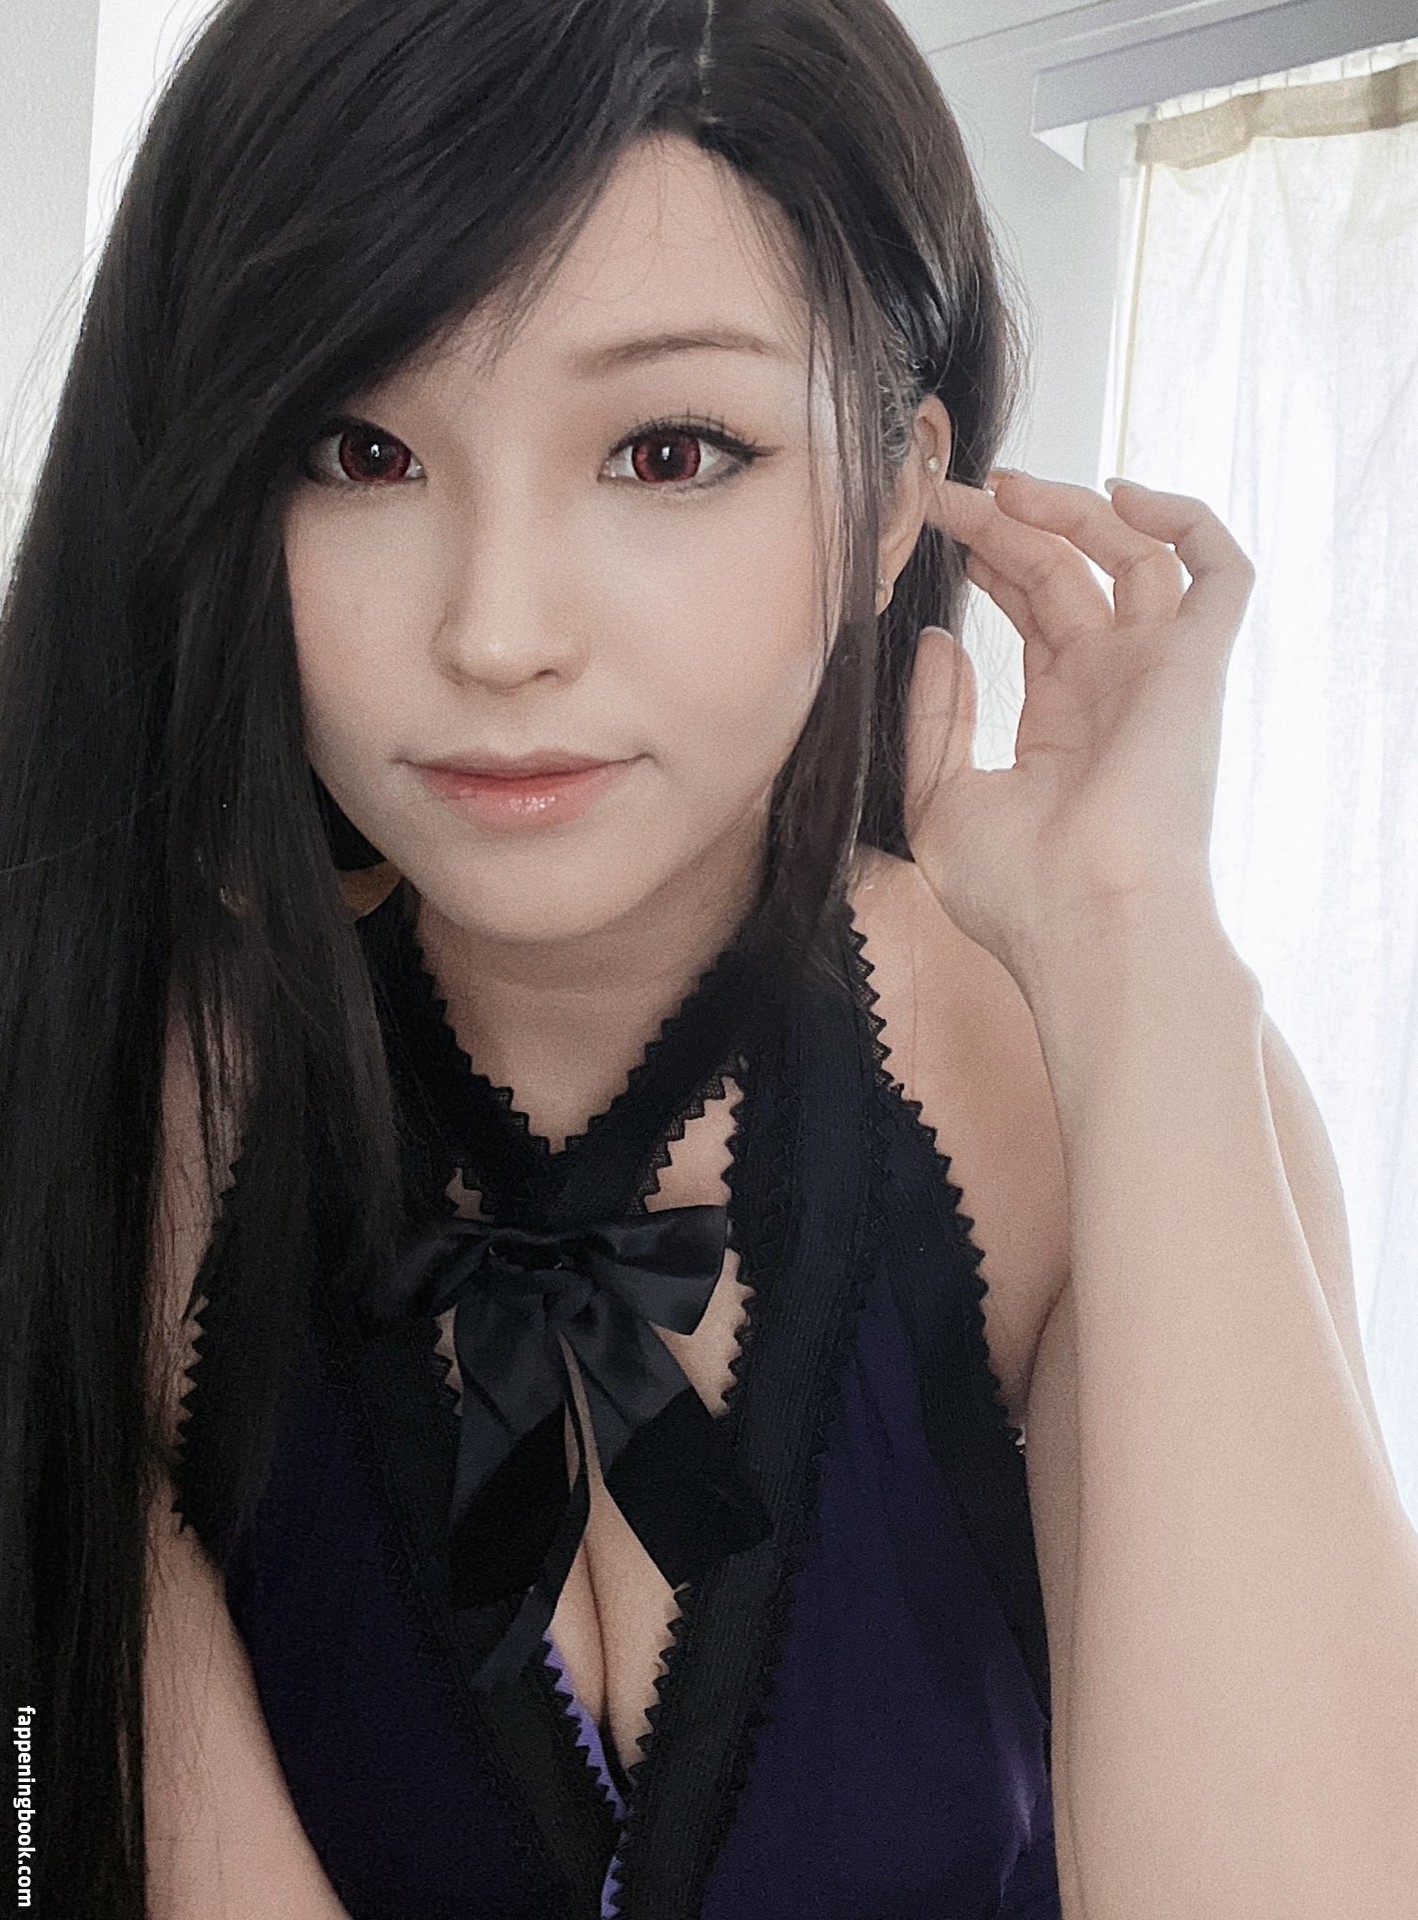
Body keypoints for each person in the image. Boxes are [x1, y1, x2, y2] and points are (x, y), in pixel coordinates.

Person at [4, 0, 1416, 1915]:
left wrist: (1128, 942)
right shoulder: (126, 1097)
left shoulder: (1091, 1078)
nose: (497, 631)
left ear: (896, 491)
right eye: (360, 448)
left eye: (668, 449)